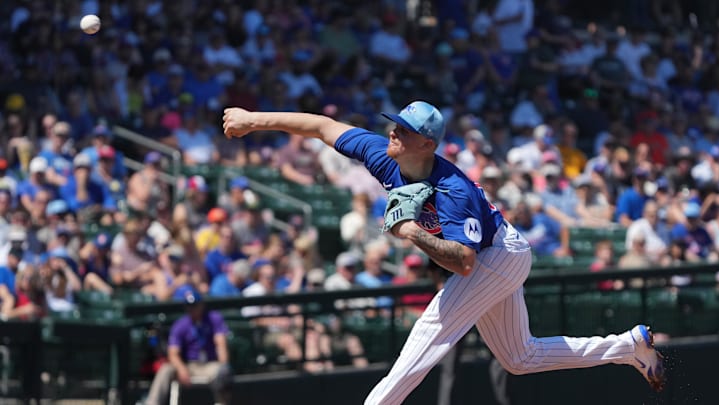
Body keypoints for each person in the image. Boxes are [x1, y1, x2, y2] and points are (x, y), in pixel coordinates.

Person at [223, 100, 666, 404]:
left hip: (496, 254)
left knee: (428, 334)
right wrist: (253, 118)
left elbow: (466, 262)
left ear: (428, 143)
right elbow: (322, 126)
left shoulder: (452, 190)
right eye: (395, 125)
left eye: (405, 130)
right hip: (496, 253)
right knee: (520, 358)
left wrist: (412, 233)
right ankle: (629, 347)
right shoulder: (384, 154)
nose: (393, 132)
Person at [145, 291, 232, 405]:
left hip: (210, 365)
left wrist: (223, 365)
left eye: (195, 305)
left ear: (201, 305)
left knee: (224, 372)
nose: (192, 309)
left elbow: (221, 343)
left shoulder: (213, 319)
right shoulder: (181, 325)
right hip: (189, 365)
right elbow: (173, 353)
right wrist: (181, 368)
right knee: (166, 369)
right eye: (189, 306)